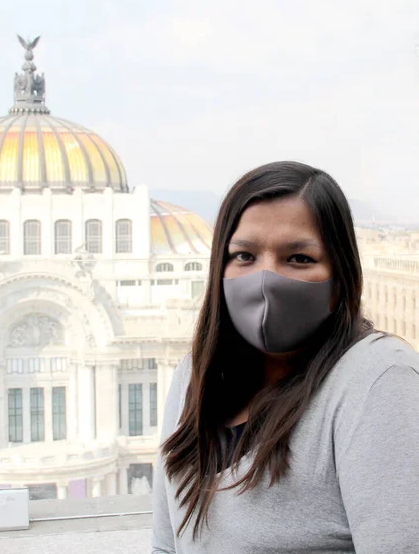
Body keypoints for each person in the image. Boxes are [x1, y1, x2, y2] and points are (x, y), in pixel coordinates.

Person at [151, 161, 419, 554]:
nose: (266, 280)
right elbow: (166, 545)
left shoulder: (379, 381)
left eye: (298, 258)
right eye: (244, 256)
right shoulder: (195, 376)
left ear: (339, 279)